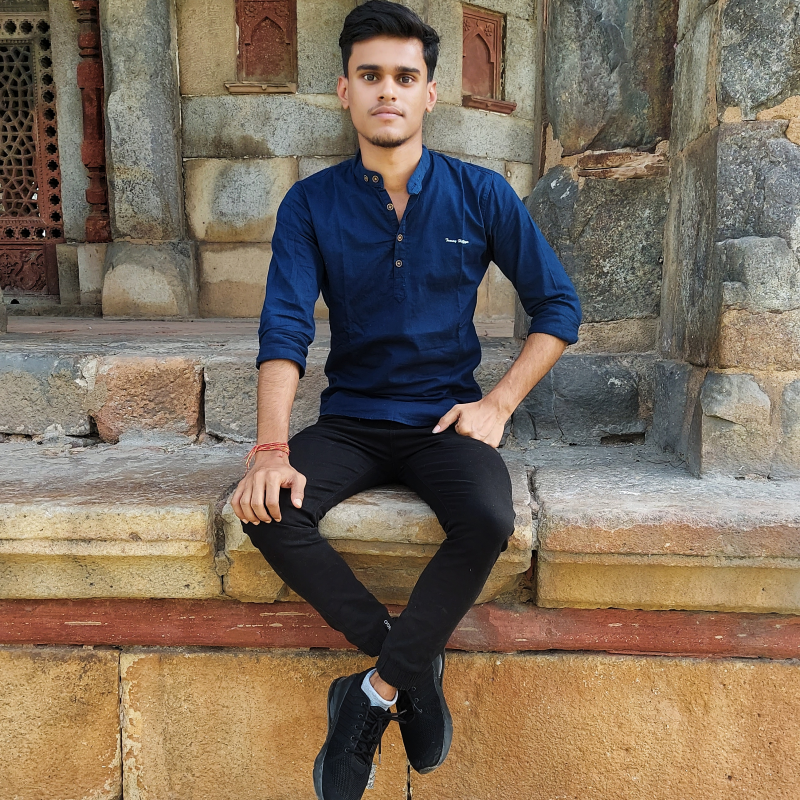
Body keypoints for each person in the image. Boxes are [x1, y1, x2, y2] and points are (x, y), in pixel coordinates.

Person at [231, 2, 581, 798]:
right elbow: (284, 327)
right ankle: (410, 672)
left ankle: (372, 693)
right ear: (345, 91)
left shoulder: (481, 194)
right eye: (370, 75)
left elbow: (558, 306)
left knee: (487, 518)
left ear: (429, 93)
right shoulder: (311, 204)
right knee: (267, 511)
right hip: (351, 421)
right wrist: (270, 448)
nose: (387, 90)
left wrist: (498, 405)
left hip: (445, 421)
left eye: (404, 76)